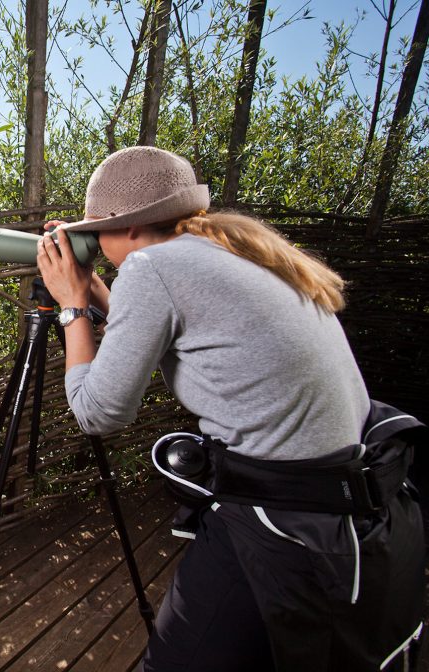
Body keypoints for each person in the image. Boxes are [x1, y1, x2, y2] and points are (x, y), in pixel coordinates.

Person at [35, 145, 425, 671]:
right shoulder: (229, 249)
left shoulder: (152, 268)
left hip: (284, 518)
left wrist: (72, 307)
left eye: (94, 230)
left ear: (126, 228)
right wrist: (103, 295)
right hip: (339, 498)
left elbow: (97, 412)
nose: (91, 242)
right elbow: (173, 323)